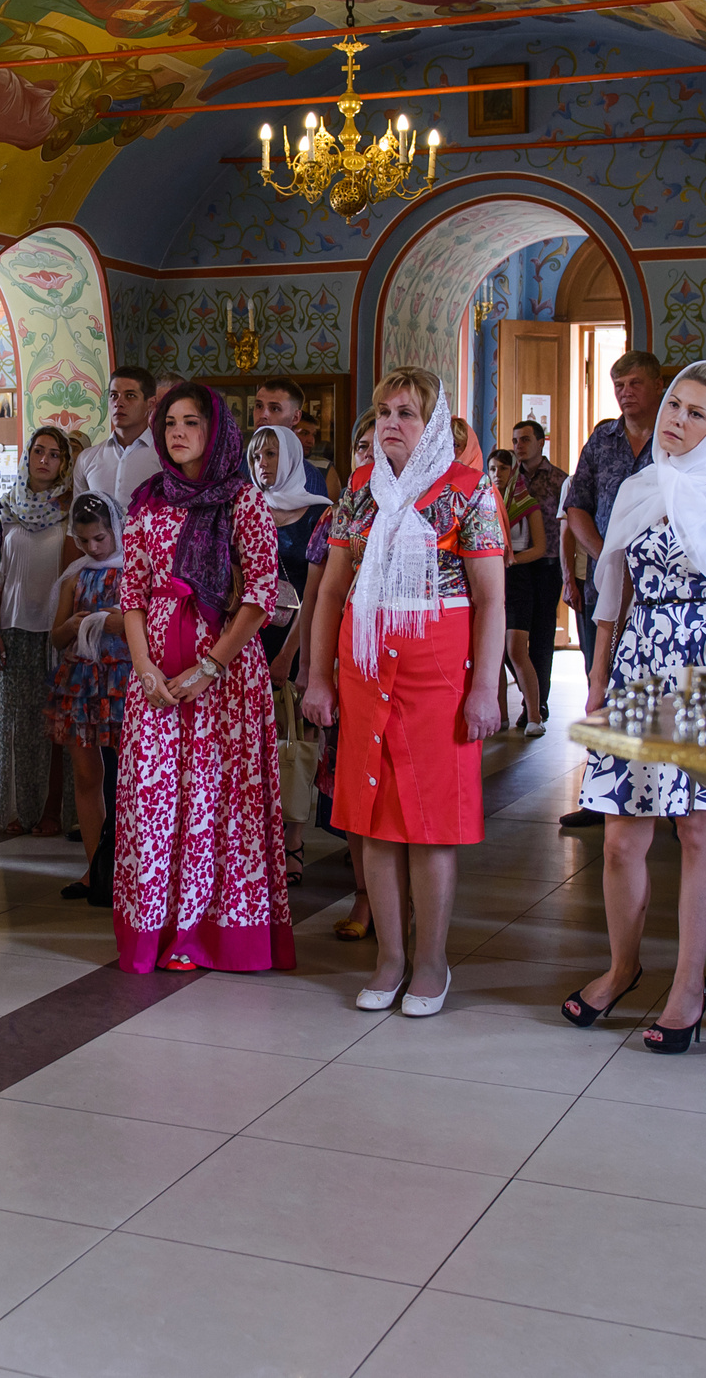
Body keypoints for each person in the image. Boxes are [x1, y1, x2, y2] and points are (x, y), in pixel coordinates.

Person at [565, 361, 706, 1050]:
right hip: (637, 663)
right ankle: (623, 966)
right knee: (623, 834)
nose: (676, 421)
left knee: (696, 829)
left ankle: (689, 984)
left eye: (696, 414)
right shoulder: (638, 486)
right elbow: (611, 593)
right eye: (674, 407)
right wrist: (598, 683)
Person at [302, 371, 509, 1016]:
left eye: (408, 413)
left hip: (438, 671)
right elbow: (332, 592)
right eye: (384, 411)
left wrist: (484, 689)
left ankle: (431, 963)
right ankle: (389, 959)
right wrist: (317, 676)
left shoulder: (470, 491)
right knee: (376, 823)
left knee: (429, 824)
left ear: (436, 426)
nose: (392, 422)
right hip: (365, 668)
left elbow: (492, 597)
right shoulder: (360, 491)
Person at [115, 381, 292, 975]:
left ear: (216, 431)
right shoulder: (145, 500)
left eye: (191, 422)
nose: (178, 432)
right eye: (169, 423)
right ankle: (154, 927)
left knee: (215, 803)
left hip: (225, 679)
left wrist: (210, 665)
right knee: (155, 798)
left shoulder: (242, 501)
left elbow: (262, 594)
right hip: (155, 679)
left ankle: (203, 933)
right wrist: (143, 667)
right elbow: (131, 593)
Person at [556, 350, 665, 828]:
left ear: (658, 386)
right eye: (618, 384)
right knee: (599, 681)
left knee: (664, 687)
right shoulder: (602, 438)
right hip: (607, 581)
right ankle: (601, 797)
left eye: (634, 383)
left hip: (668, 586)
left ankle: (674, 804)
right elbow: (576, 504)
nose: (624, 392)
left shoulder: (677, 432)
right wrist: (604, 555)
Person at [287, 406, 378, 940]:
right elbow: (319, 595)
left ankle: (406, 896)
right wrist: (312, 670)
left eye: (377, 446)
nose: (370, 456)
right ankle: (367, 898)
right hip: (348, 665)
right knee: (356, 792)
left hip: (407, 666)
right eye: (361, 448)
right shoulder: (335, 517)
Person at [247, 423, 325, 885]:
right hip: (250, 638)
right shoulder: (245, 509)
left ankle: (292, 839)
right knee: (256, 739)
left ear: (293, 456)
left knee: (296, 737)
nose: (263, 464)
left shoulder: (319, 515)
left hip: (298, 641)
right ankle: (259, 839)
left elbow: (318, 595)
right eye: (257, 455)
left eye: (272, 454)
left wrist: (291, 654)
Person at [0, 424, 74, 836]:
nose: (44, 459)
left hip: (55, 630)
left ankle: (53, 812)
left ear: (64, 463)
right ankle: (17, 811)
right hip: (13, 627)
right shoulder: (6, 509)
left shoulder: (70, 512)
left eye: (53, 454)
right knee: (16, 725)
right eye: (38, 451)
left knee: (53, 725)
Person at [49, 494, 130, 905]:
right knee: (86, 776)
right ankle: (94, 867)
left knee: (126, 777)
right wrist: (75, 624)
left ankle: (127, 866)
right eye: (84, 541)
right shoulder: (76, 575)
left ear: (115, 529)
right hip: (82, 679)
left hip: (122, 677)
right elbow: (56, 635)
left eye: (99, 538)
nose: (93, 549)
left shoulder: (134, 569)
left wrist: (114, 621)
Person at [507, 418, 567, 731]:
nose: (519, 446)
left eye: (526, 440)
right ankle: (529, 694)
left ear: (541, 442)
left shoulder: (559, 479)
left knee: (542, 638)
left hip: (546, 565)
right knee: (511, 641)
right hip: (514, 567)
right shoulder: (506, 477)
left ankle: (537, 704)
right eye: (516, 440)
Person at [489, 448, 552, 735]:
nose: (497, 475)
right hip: (492, 579)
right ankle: (500, 714)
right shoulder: (485, 503)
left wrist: (513, 558)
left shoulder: (526, 504)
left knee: (516, 649)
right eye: (492, 469)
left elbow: (540, 547)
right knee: (494, 652)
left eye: (502, 469)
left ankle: (535, 714)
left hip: (518, 579)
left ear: (513, 471)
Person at [73, 365, 160, 517]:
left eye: (130, 395)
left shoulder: (163, 457)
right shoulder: (87, 458)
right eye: (114, 395)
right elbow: (76, 522)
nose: (119, 403)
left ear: (150, 403)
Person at [252, 376, 341, 497]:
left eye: (274, 408)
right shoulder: (236, 468)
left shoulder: (310, 476)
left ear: (295, 417)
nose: (263, 415)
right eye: (259, 406)